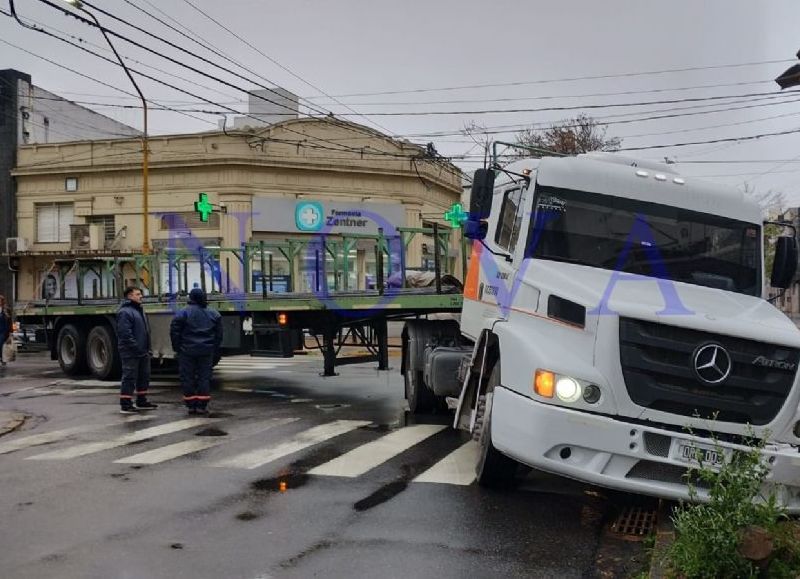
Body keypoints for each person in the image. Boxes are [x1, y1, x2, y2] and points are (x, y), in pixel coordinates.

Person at [170, 288, 222, 415]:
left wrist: (177, 349)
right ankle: (202, 406)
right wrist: (213, 348)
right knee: (204, 378)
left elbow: (174, 333)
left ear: (191, 298)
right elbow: (219, 335)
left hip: (187, 351)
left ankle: (191, 405)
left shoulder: (182, 313)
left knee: (187, 377)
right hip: (206, 351)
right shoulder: (214, 314)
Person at [117, 287, 157, 414]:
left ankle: (142, 400)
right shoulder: (125, 312)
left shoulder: (139, 311)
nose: (141, 296)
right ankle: (126, 402)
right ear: (130, 296)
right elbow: (125, 334)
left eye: (141, 294)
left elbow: (146, 332)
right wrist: (136, 348)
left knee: (144, 376)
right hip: (131, 351)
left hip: (142, 351)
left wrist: (147, 349)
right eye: (138, 294)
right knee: (129, 376)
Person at [0, 295, 11, 368]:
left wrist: (10, 333)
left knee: (0, 344)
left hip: (3, 331)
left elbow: (9, 322)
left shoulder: (6, 310)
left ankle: (2, 359)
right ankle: (2, 358)